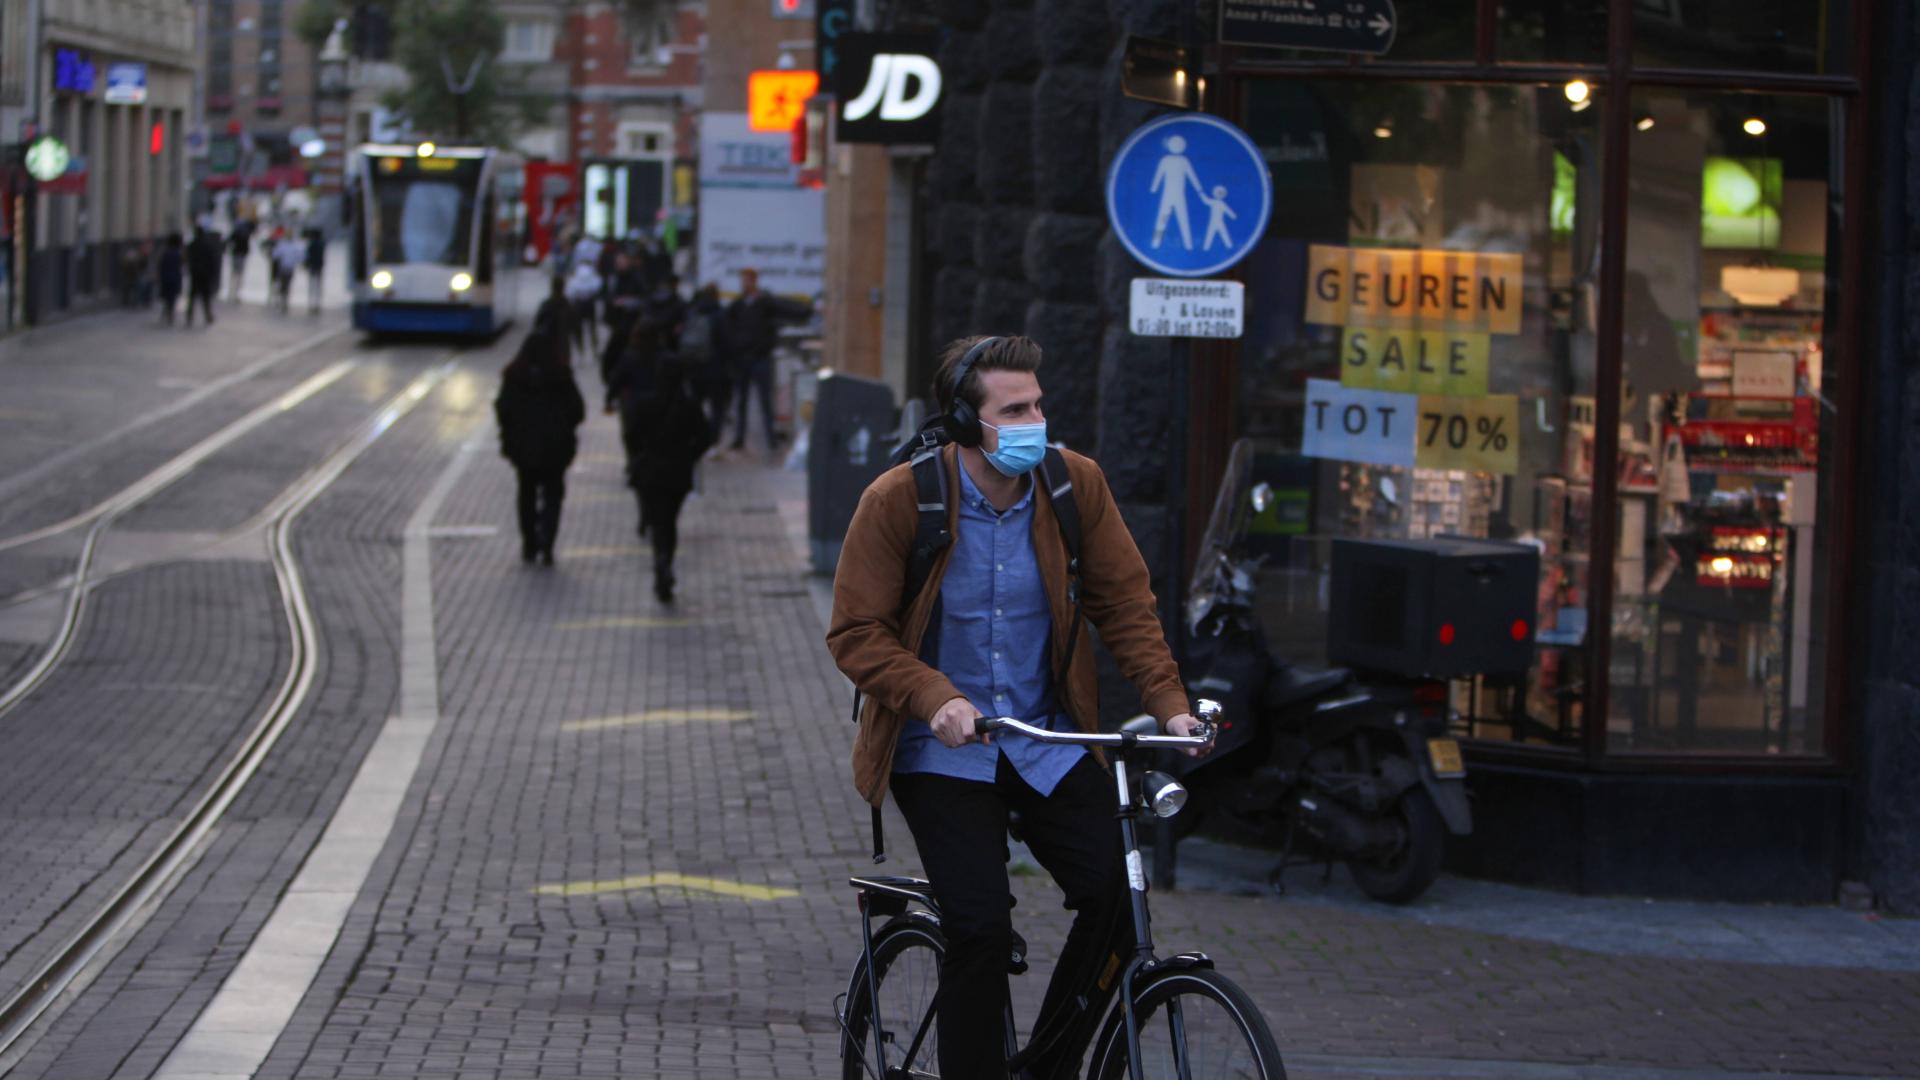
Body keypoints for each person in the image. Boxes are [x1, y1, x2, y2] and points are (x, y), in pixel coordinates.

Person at [824, 334, 1210, 1079]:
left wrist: (1170, 706)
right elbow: (856, 633)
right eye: (1016, 408)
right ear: (968, 424)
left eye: (1039, 403)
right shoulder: (901, 498)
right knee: (981, 929)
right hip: (940, 751)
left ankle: (1049, 1065)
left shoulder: (1075, 487)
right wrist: (935, 698)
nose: (1036, 419)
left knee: (1116, 898)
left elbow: (1125, 605)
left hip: (1044, 741)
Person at [617, 322, 716, 604]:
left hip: (649, 470)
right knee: (669, 521)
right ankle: (665, 560)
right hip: (677, 472)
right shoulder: (688, 406)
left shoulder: (646, 404)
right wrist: (690, 454)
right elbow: (706, 436)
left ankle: (660, 559)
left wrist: (639, 454)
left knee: (658, 521)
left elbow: (631, 434)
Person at [494, 328, 586, 566]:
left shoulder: (515, 375)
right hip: (556, 448)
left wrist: (511, 432)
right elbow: (578, 410)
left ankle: (529, 543)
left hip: (523, 448)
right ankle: (547, 541)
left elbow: (503, 409)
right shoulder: (561, 375)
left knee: (526, 493)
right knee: (553, 495)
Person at [723, 268, 786, 451]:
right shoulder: (738, 305)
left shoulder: (764, 303)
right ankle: (739, 437)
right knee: (741, 401)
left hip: (759, 358)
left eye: (747, 280)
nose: (745, 284)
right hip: (744, 359)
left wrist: (763, 347)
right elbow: (729, 326)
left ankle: (770, 437)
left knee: (765, 401)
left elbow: (773, 325)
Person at [685, 284, 733, 431]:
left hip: (694, 367)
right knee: (716, 408)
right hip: (715, 368)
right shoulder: (720, 314)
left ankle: (695, 435)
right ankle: (712, 441)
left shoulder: (692, 312)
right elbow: (726, 343)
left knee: (695, 405)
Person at [185, 225, 222, 326]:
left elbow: (188, 259)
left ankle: (190, 315)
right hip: (204, 274)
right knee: (205, 297)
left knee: (193, 296)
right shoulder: (206, 245)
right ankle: (207, 315)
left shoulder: (192, 245)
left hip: (196, 273)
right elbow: (212, 261)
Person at [156, 233, 185, 325]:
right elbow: (182, 266)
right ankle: (169, 315)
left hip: (166, 278)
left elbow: (161, 266)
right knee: (172, 298)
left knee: (167, 298)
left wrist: (159, 277)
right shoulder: (178, 253)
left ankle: (166, 315)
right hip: (175, 278)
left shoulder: (165, 253)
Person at [226, 216, 255, 302]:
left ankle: (234, 292)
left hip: (240, 254)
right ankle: (233, 291)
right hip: (238, 254)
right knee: (237, 274)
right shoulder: (242, 232)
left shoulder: (242, 232)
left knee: (236, 274)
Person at [303, 227, 326, 314]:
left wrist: (306, 264)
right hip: (319, 267)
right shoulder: (322, 244)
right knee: (318, 286)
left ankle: (312, 304)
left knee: (312, 286)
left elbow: (308, 256)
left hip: (313, 267)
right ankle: (317, 304)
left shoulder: (312, 244)